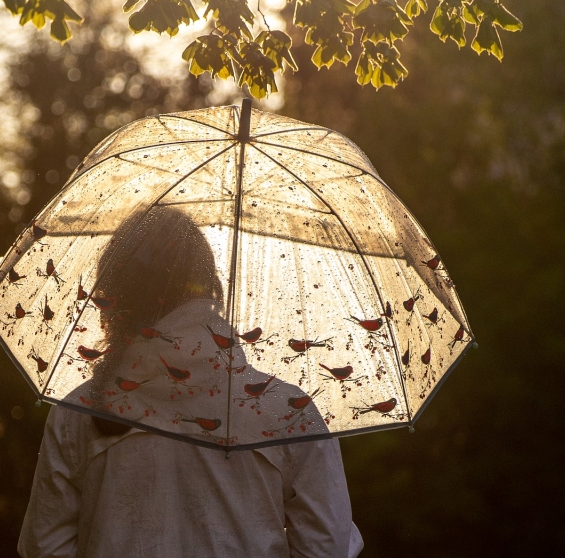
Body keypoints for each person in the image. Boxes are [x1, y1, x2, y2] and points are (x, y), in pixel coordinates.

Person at [18, 207, 364, 558]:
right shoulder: (288, 412)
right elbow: (328, 547)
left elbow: (44, 548)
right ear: (209, 287)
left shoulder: (80, 413)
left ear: (114, 298)